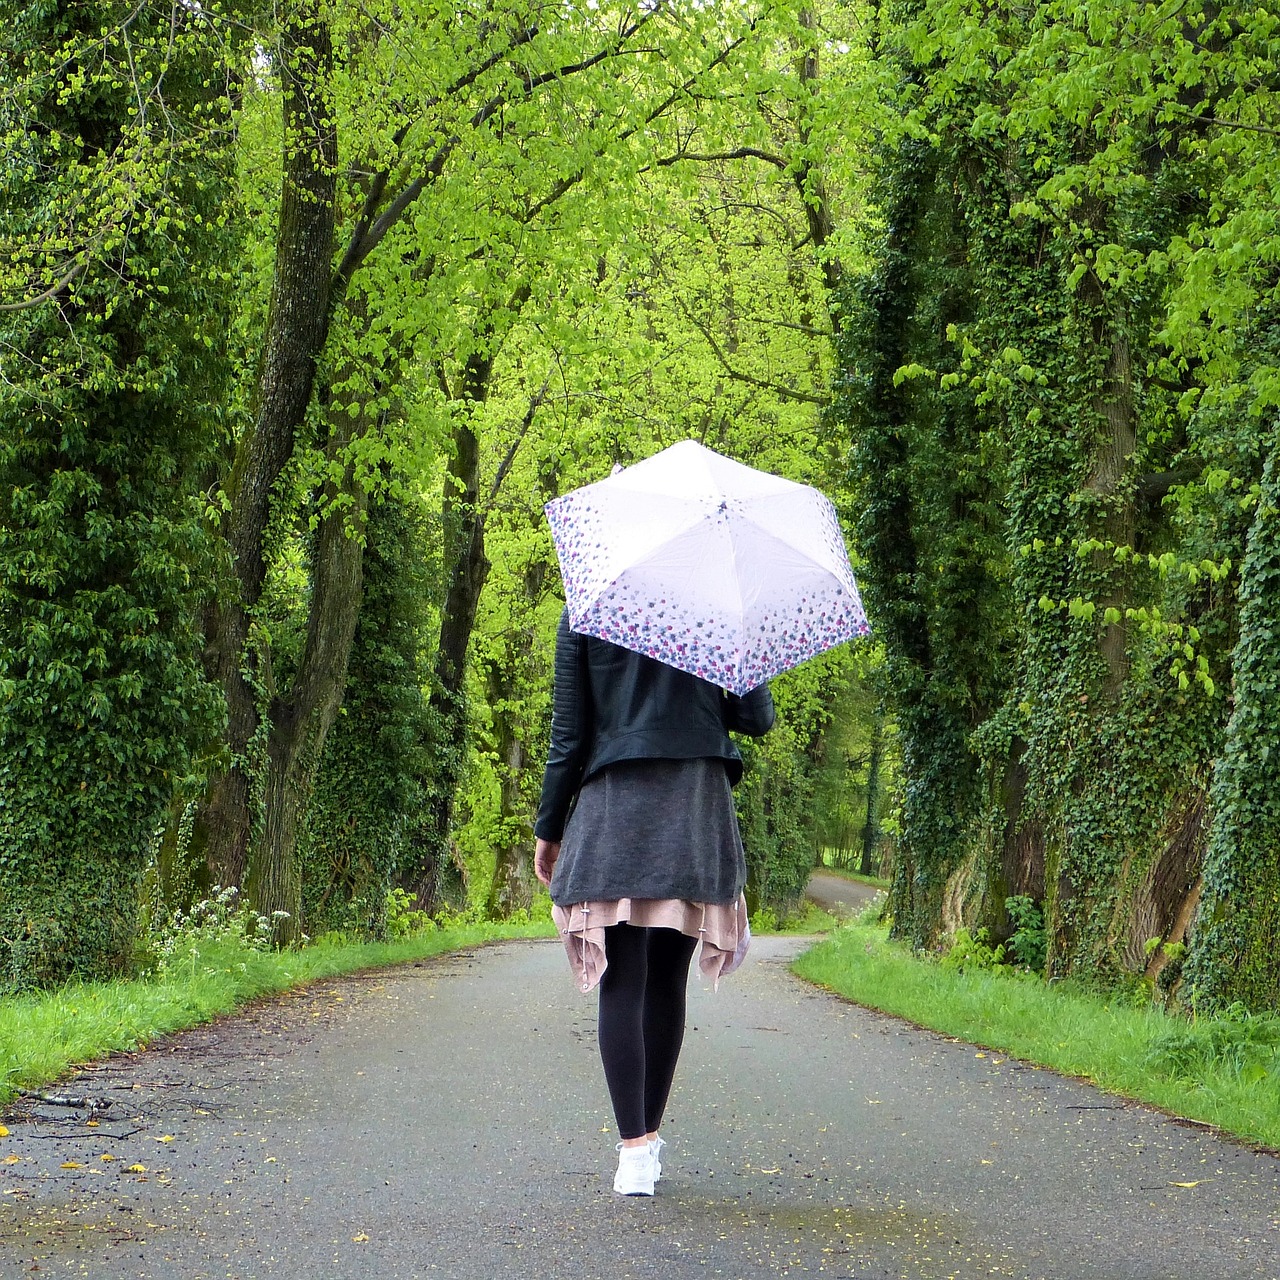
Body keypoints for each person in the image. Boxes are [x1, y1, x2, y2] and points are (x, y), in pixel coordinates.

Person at [534, 608, 775, 1196]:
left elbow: (570, 734)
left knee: (624, 975)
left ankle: (634, 1151)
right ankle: (648, 1141)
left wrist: (550, 826)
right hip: (694, 799)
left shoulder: (587, 611)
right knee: (668, 979)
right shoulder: (715, 609)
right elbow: (756, 717)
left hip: (616, 797)